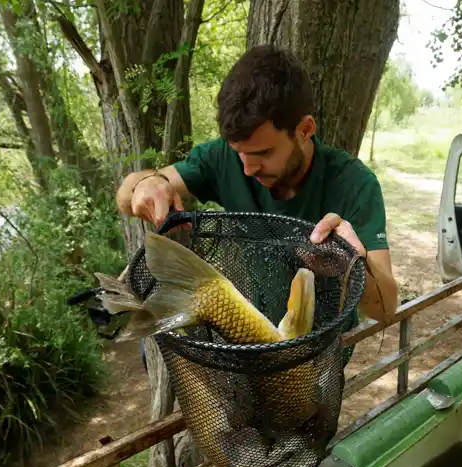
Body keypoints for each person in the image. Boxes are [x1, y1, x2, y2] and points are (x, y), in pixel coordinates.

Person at [115, 44, 398, 328]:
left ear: (305, 130)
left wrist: (349, 266)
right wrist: (147, 183)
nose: (248, 168)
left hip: (321, 353)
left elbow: (386, 308)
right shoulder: (221, 160)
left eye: (263, 153)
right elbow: (127, 193)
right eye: (240, 153)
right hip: (250, 333)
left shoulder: (355, 184)